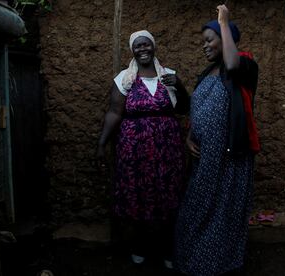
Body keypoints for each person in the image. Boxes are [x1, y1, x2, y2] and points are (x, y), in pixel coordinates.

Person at [174, 5, 259, 275]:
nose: (204, 46)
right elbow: (196, 110)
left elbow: (231, 63)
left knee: (222, 212)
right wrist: (189, 137)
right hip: (203, 159)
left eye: (209, 40)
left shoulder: (244, 65)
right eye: (203, 42)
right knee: (196, 208)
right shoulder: (206, 73)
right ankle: (191, 261)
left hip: (229, 159)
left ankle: (217, 265)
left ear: (226, 39)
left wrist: (224, 21)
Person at [97, 30, 189, 268]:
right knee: (138, 195)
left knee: (167, 195)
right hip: (134, 149)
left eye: (146, 44)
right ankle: (140, 246)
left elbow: (185, 109)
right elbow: (115, 112)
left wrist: (179, 86)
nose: (142, 49)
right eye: (137, 46)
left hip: (167, 149)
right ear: (132, 50)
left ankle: (167, 249)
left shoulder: (169, 76)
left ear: (153, 46)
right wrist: (102, 143)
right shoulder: (124, 79)